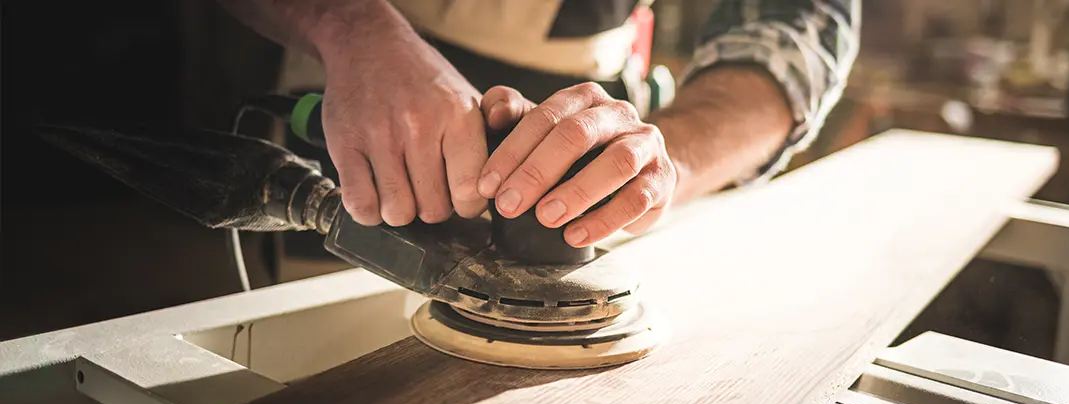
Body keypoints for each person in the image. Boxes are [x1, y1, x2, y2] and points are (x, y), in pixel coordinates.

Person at [217, 0, 859, 248]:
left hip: (589, 117)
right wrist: (350, 27)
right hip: (356, 90)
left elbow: (793, 25)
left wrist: (669, 164)